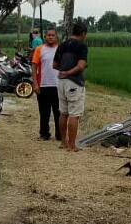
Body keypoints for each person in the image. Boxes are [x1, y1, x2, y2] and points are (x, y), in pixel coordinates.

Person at [53, 22, 89, 152]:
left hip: (61, 82)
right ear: (83, 33)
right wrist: (69, 72)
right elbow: (81, 66)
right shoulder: (82, 46)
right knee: (74, 114)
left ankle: (63, 142)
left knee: (63, 113)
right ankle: (72, 145)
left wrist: (63, 71)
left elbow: (55, 65)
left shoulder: (62, 45)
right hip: (74, 82)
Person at [31, 28, 60, 141]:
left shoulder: (60, 49)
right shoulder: (39, 49)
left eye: (53, 35)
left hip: (58, 86)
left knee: (58, 112)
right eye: (49, 35)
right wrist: (35, 83)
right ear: (45, 37)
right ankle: (44, 133)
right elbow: (34, 66)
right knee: (44, 112)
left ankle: (60, 134)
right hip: (43, 85)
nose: (51, 37)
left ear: (56, 37)